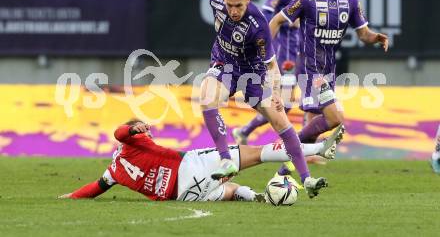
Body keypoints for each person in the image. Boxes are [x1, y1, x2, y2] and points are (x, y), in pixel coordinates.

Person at [196, 0, 327, 197]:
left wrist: (275, 93)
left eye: (238, 5)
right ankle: (226, 160)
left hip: (253, 73)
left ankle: (307, 179)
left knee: (280, 119)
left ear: (248, 0)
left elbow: (271, 66)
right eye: (230, 6)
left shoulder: (258, 26)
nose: (233, 11)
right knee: (207, 97)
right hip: (224, 64)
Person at [269, 0, 388, 176]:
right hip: (310, 68)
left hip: (328, 68)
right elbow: (276, 20)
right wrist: (265, 51)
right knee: (335, 118)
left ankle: (284, 171)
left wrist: (376, 38)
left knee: (313, 127)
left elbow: (363, 34)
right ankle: (287, 150)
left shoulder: (350, 1)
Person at [59, 120, 342, 202]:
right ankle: (319, 147)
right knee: (256, 153)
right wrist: (133, 129)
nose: (149, 133)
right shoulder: (133, 140)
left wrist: (71, 195)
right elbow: (118, 131)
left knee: (228, 190)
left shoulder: (114, 170)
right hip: (188, 167)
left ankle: (256, 197)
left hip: (182, 196)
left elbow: (95, 187)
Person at [233, 0, 318, 146]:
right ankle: (246, 131)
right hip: (285, 53)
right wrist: (290, 21)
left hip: (307, 53)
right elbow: (266, 14)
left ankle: (307, 144)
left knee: (311, 99)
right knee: (285, 104)